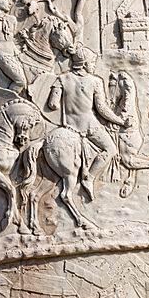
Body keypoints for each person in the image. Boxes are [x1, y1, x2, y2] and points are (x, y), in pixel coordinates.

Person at [47, 44, 125, 200]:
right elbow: (102, 109)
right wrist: (120, 121)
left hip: (70, 126)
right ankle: (89, 177)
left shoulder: (61, 79)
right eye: (92, 62)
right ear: (84, 63)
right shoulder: (95, 82)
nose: (94, 64)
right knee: (111, 150)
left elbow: (52, 104)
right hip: (90, 126)